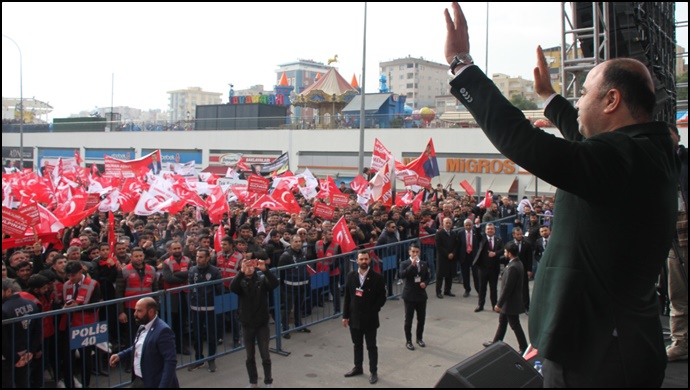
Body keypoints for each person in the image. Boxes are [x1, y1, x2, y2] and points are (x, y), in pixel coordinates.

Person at [444, 3, 678, 386]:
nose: (579, 101)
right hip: (615, 343)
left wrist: (461, 63)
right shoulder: (647, 151)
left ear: (612, 100)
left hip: (595, 356)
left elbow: (524, 140)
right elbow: (585, 141)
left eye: (583, 93)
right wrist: (550, 99)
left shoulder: (622, 160)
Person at [230, 258, 279, 388]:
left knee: (265, 355)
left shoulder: (261, 280)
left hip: (262, 323)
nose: (249, 268)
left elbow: (274, 283)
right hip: (247, 324)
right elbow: (232, 287)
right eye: (246, 266)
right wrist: (241, 272)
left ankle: (268, 380)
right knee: (249, 356)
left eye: (252, 265)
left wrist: (265, 270)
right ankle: (253, 381)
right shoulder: (240, 282)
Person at [109, 297, 179, 388]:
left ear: (150, 312)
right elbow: (140, 346)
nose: (135, 314)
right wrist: (120, 355)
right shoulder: (142, 326)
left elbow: (170, 361)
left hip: (154, 383)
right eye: (135, 310)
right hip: (139, 381)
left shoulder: (163, 331)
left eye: (139, 311)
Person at [342, 250, 387, 385]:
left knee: (371, 346)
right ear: (357, 261)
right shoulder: (351, 276)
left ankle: (373, 371)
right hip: (354, 317)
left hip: (370, 318)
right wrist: (345, 316)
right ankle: (358, 367)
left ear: (369, 260)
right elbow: (347, 297)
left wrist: (373, 310)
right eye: (361, 259)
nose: (364, 262)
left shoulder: (377, 277)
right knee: (357, 344)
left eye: (366, 259)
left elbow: (382, 298)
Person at [666, 124, 688, 361]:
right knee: (678, 293)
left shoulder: (683, 162)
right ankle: (681, 341)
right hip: (674, 236)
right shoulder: (656, 166)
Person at [482, 242, 528, 354]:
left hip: (510, 302)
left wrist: (499, 304)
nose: (504, 253)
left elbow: (508, 288)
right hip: (509, 302)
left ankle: (524, 347)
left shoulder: (513, 267)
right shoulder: (516, 263)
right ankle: (496, 342)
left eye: (505, 252)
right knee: (502, 322)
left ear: (510, 253)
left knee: (514, 324)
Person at [187, 248, 222, 372]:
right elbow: (190, 286)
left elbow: (219, 289)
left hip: (210, 307)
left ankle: (211, 359)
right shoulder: (192, 270)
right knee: (197, 334)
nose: (198, 259)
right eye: (197, 256)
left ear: (207, 258)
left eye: (201, 257)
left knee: (211, 335)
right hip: (195, 307)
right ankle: (198, 359)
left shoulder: (215, 271)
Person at [2, 279, 41, 388]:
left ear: (8, 291)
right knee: (23, 384)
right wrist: (31, 351)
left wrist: (15, 358)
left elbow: (3, 340)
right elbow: (37, 331)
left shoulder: (4, 309)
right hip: (25, 354)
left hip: (8, 358)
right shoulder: (31, 304)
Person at [399, 243, 430, 351]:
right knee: (409, 319)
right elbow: (402, 275)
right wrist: (411, 265)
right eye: (413, 252)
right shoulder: (404, 263)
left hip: (421, 295)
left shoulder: (424, 264)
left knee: (421, 318)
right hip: (409, 295)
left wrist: (425, 283)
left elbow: (428, 277)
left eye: (417, 252)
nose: (415, 254)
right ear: (409, 252)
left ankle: (419, 338)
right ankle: (408, 341)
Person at [472, 223, 503, 312]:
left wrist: (495, 253)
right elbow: (477, 234)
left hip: (494, 268)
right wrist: (477, 225)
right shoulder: (482, 239)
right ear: (485, 230)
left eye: (491, 229)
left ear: (494, 230)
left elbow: (502, 250)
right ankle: (480, 305)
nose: (490, 230)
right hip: (483, 268)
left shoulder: (498, 240)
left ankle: (494, 305)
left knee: (493, 289)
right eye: (488, 229)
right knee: (482, 288)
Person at [435, 217, 458, 298]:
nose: (448, 224)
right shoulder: (439, 233)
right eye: (446, 223)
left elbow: (456, 245)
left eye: (449, 223)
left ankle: (447, 290)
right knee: (440, 275)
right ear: (443, 224)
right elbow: (439, 246)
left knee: (449, 274)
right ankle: (438, 292)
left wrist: (453, 253)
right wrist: (447, 254)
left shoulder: (453, 233)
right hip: (442, 257)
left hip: (451, 256)